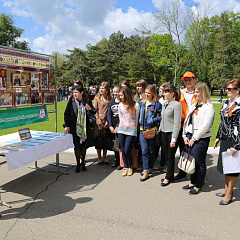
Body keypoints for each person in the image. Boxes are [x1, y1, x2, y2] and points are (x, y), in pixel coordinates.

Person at [182, 82, 215, 194]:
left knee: (199, 162)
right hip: (190, 136)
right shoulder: (194, 105)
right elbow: (187, 121)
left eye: (197, 92)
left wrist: (194, 138)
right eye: (195, 92)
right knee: (191, 160)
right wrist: (184, 135)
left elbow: (206, 126)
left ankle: (199, 185)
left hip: (200, 138)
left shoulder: (208, 107)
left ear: (203, 92)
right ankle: (192, 181)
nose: (195, 94)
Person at [214, 79, 240, 205]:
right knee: (225, 167)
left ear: (238, 90)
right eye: (226, 88)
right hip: (225, 139)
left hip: (235, 141)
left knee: (232, 169)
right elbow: (223, 121)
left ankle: (229, 194)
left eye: (230, 89)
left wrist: (237, 146)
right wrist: (219, 136)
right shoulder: (227, 103)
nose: (227, 91)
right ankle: (226, 189)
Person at [64, 85, 96, 173]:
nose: (74, 94)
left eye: (76, 92)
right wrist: (67, 125)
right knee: (77, 146)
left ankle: (83, 162)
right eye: (73, 92)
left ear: (81, 93)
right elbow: (66, 114)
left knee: (84, 146)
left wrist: (90, 109)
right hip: (74, 127)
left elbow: (94, 111)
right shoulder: (71, 102)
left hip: (85, 127)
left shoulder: (87, 101)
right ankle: (78, 163)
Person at [174, 71, 197, 181]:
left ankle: (195, 174)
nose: (187, 81)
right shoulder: (180, 93)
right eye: (185, 80)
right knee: (182, 149)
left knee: (194, 151)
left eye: (189, 79)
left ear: (194, 79)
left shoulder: (198, 92)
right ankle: (182, 171)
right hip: (182, 125)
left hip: (194, 126)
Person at [160, 83, 182, 186]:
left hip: (171, 134)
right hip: (164, 133)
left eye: (165, 92)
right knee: (167, 155)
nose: (163, 94)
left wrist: (174, 139)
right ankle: (171, 174)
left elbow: (177, 123)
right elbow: (163, 119)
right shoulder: (165, 104)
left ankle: (168, 177)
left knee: (170, 157)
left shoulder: (177, 105)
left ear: (172, 93)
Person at [138, 85, 162, 181]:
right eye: (146, 92)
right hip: (141, 130)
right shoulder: (142, 103)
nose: (147, 94)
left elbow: (162, 116)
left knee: (152, 151)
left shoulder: (157, 104)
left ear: (153, 93)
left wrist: (153, 120)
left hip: (151, 130)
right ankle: (145, 170)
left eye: (149, 93)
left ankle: (150, 168)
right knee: (144, 151)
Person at [117, 87, 140, 176]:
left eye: (122, 95)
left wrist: (135, 129)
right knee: (123, 149)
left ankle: (130, 166)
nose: (120, 97)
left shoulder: (135, 105)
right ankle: (126, 167)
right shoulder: (120, 105)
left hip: (131, 130)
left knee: (127, 149)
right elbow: (120, 117)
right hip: (121, 129)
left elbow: (137, 118)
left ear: (126, 95)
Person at [93, 82, 112, 165]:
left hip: (106, 121)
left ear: (107, 89)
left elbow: (110, 111)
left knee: (106, 140)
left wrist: (108, 121)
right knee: (98, 140)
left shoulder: (110, 98)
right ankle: (99, 158)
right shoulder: (97, 98)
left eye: (103, 88)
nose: (101, 90)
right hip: (99, 121)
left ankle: (105, 157)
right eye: (100, 88)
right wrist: (99, 122)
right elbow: (94, 111)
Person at [107, 85, 121, 169]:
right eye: (114, 91)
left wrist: (117, 126)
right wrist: (110, 125)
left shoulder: (122, 102)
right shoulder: (112, 101)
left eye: (117, 91)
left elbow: (123, 116)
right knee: (114, 144)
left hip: (120, 126)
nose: (115, 93)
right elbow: (109, 114)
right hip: (112, 125)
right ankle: (116, 160)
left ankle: (121, 161)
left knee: (120, 144)